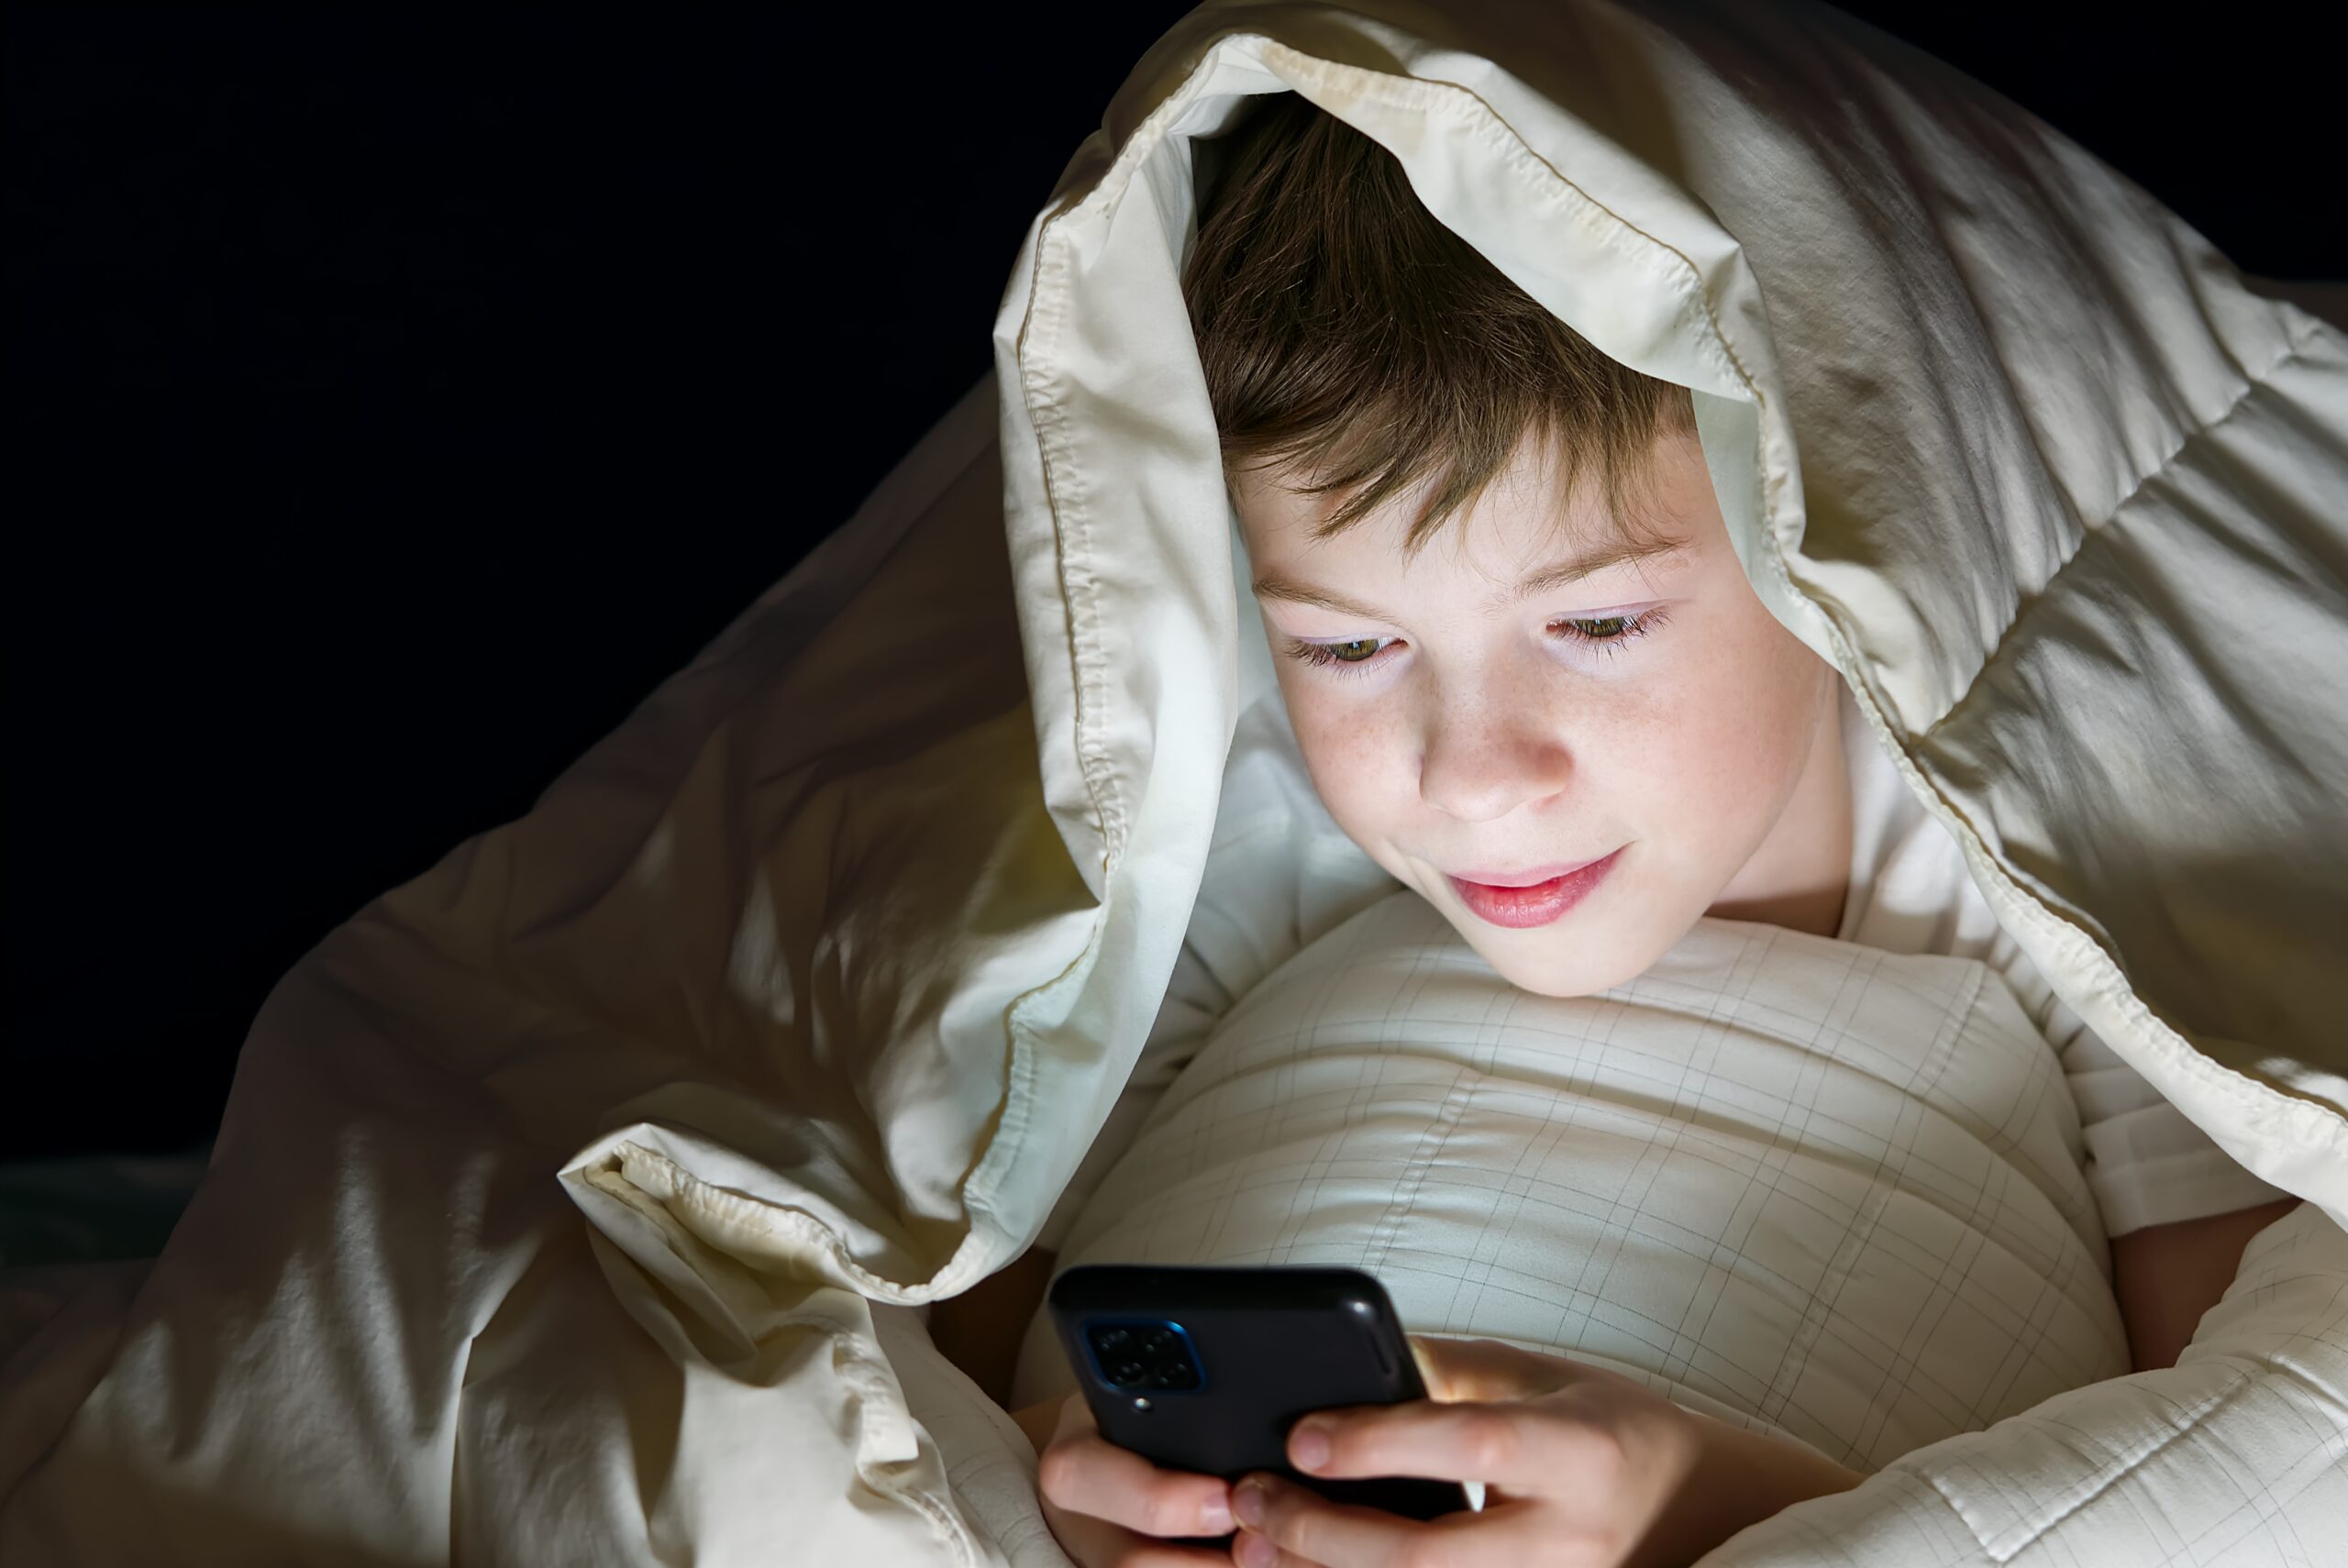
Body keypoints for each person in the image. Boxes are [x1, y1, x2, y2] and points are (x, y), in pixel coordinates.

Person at [925, 92, 2299, 1568]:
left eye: (1595, 620)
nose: (1472, 778)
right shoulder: (1232, 827)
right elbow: (953, 1335)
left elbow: (2219, 1464)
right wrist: (1073, 1477)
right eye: (1346, 648)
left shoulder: (2057, 873)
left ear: (1833, 539)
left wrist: (1724, 1513)